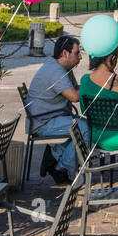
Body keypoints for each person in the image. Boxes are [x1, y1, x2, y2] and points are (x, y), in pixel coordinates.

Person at [23, 34, 86, 184]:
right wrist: (93, 85)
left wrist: (90, 84)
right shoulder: (56, 71)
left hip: (52, 116)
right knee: (85, 129)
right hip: (44, 122)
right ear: (65, 53)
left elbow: (75, 89)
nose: (80, 57)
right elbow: (74, 96)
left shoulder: (62, 67)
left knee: (86, 127)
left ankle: (55, 154)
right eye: (77, 53)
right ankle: (60, 166)